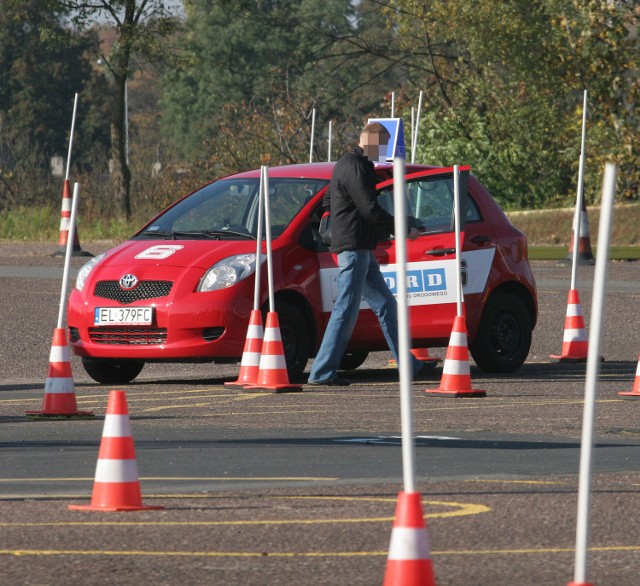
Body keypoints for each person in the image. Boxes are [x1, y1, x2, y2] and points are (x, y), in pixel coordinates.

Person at [307, 122, 426, 386]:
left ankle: (408, 365)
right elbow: (370, 209)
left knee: (384, 304)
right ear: (371, 142)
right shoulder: (357, 167)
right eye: (382, 146)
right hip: (354, 246)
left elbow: (328, 202)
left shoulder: (345, 164)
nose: (383, 152)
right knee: (346, 308)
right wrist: (404, 227)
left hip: (356, 245)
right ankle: (322, 372)